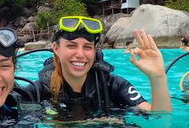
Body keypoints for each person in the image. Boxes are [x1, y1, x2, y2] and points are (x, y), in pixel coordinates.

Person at [22, 16, 172, 113]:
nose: (80, 54)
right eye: (71, 46)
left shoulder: (113, 85)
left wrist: (158, 78)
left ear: (94, 51)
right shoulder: (39, 90)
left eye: (87, 47)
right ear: (56, 49)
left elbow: (158, 117)